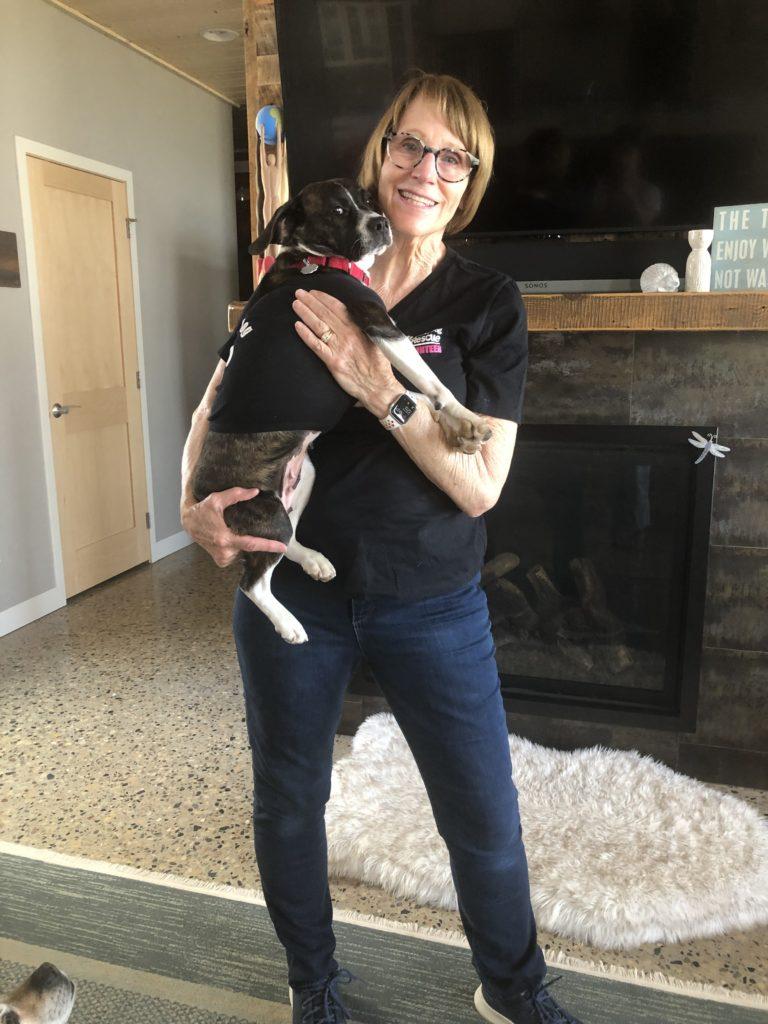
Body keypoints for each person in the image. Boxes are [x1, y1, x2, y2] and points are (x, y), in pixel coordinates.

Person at [181, 72, 584, 1024]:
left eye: (453, 156)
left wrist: (380, 389)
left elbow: (481, 486)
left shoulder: (486, 301)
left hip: (431, 600)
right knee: (289, 802)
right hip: (299, 596)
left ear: (469, 179)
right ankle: (313, 985)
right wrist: (188, 506)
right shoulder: (302, 275)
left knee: (481, 817)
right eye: (410, 145)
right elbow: (215, 404)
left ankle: (515, 991)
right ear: (381, 154)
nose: (426, 170)